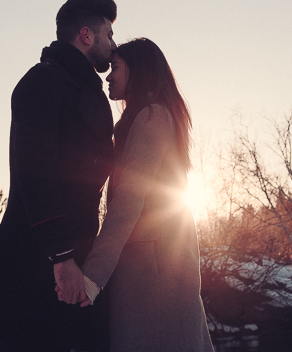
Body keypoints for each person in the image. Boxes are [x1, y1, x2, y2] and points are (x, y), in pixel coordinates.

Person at [0, 0, 118, 352]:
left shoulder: (88, 92)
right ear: (86, 35)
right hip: (35, 263)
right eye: (109, 35)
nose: (113, 46)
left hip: (78, 257)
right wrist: (62, 257)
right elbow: (36, 177)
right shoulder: (41, 83)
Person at [77, 38, 215, 352]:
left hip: (150, 267)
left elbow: (129, 197)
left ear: (138, 71)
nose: (109, 76)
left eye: (116, 68)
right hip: (160, 259)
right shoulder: (157, 115)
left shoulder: (152, 116)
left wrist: (94, 275)